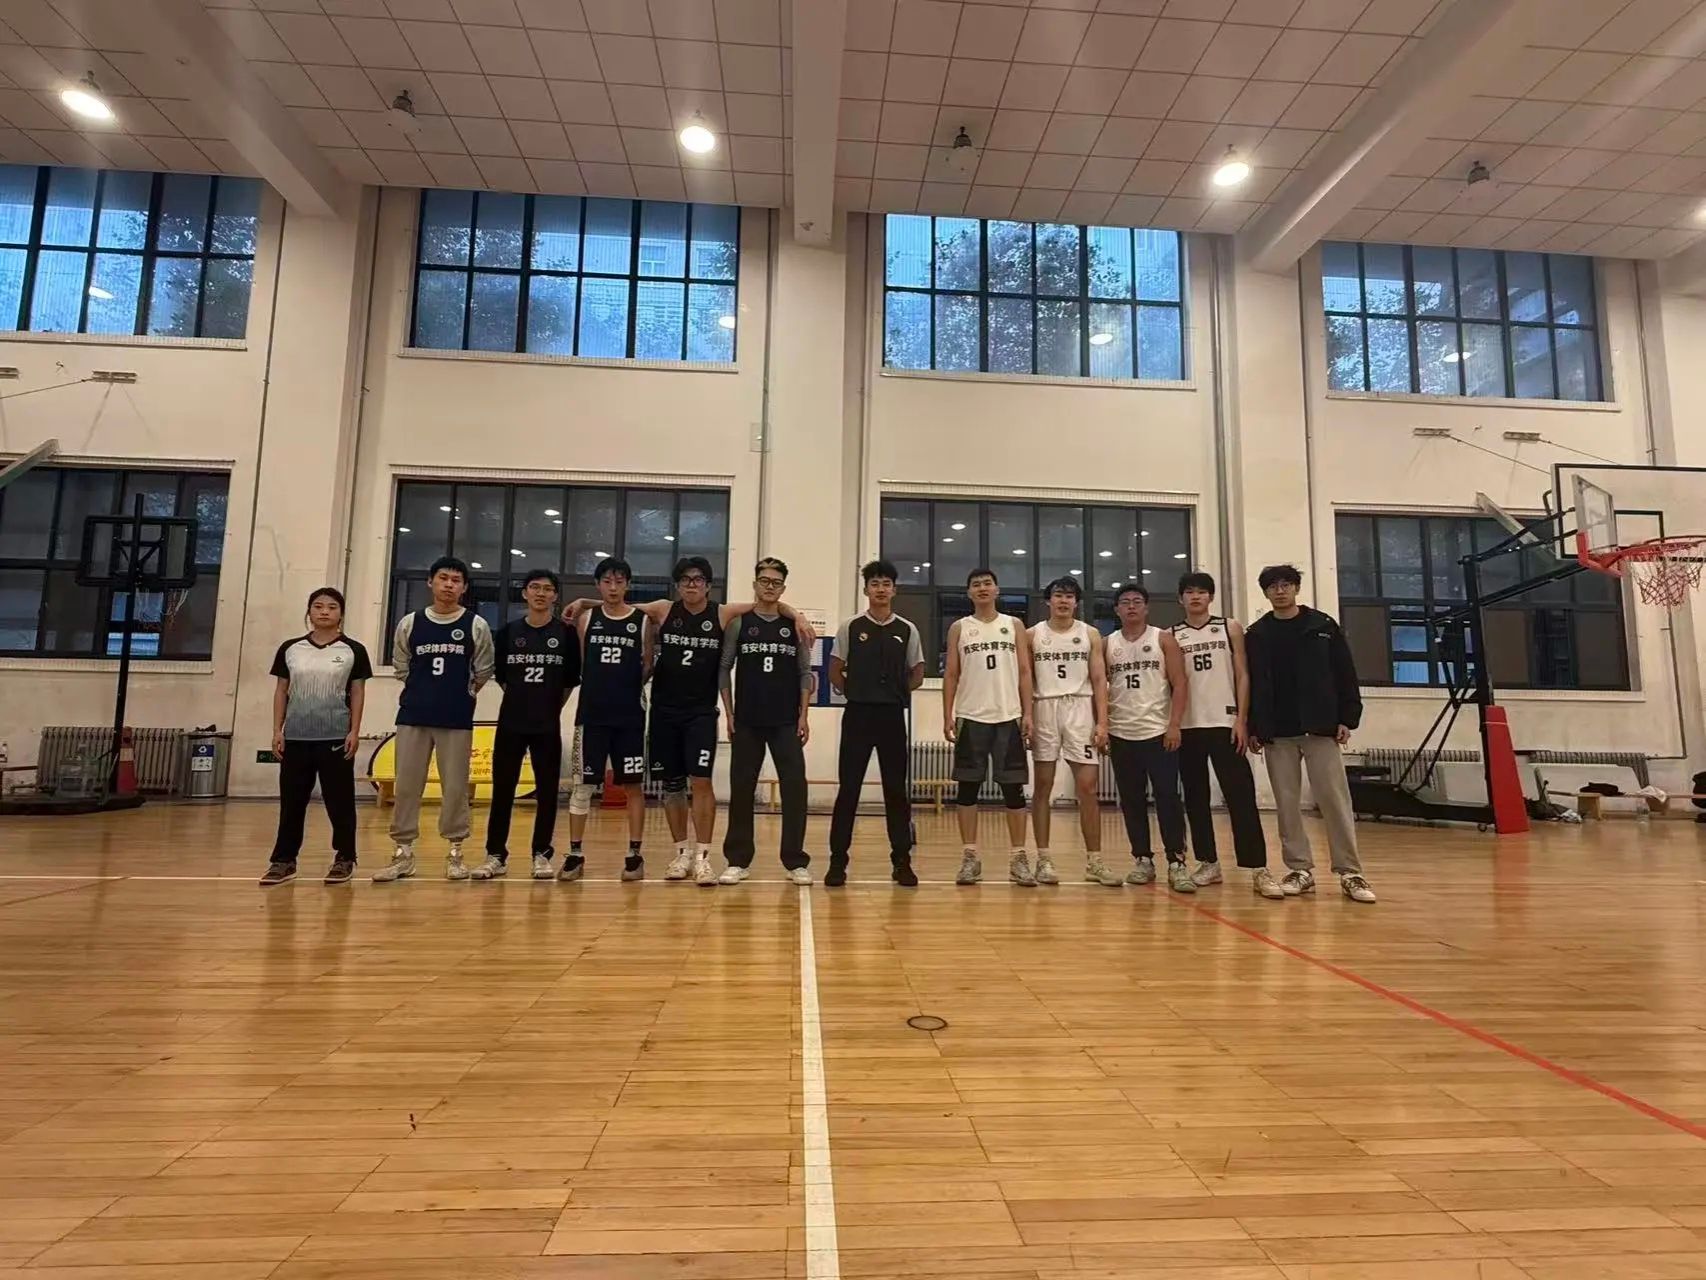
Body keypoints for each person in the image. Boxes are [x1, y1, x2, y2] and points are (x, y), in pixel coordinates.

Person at [563, 558, 813, 886]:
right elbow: (620, 603)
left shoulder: (722, 613)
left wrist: (798, 614)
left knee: (703, 783)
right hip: (665, 713)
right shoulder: (664, 609)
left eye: (698, 579)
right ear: (678, 585)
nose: (692, 584)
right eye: (685, 579)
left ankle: (703, 857)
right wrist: (585, 602)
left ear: (708, 585)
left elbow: (765, 604)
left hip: (702, 714)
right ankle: (682, 853)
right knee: (673, 786)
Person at [1245, 564, 1377, 904]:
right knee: (1287, 805)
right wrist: (1255, 727)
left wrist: (1348, 717)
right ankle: (1300, 869)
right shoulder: (1257, 634)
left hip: (1320, 726)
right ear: (1265, 593)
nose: (1280, 591)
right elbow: (1253, 683)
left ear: (1296, 588)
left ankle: (1350, 872)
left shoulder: (1323, 626)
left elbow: (1345, 672)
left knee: (1334, 800)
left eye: (1286, 585)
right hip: (1278, 732)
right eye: (1273, 586)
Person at [374, 556, 495, 883]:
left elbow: (483, 670)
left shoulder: (475, 625)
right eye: (443, 578)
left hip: (455, 718)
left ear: (464, 587)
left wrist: (460, 695)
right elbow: (401, 666)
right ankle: (402, 853)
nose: (449, 585)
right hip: (413, 715)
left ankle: (455, 853)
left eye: (456, 580)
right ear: (430, 582)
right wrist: (423, 692)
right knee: (407, 785)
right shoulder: (410, 623)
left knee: (455, 787)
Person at [1171, 571, 1287, 899]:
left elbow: (1243, 674)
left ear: (1211, 597)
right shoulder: (1172, 635)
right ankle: (1208, 862)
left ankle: (1258, 867)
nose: (1196, 597)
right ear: (1181, 598)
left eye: (1201, 591)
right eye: (1189, 592)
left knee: (1240, 796)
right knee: (1195, 798)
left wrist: (1242, 719)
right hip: (1189, 726)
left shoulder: (1229, 627)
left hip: (1226, 723)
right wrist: (1174, 723)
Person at [473, 569, 580, 882]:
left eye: (547, 589)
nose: (540, 593)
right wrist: (524, 701)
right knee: (503, 790)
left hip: (546, 724)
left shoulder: (566, 634)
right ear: (525, 593)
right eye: (535, 587)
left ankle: (541, 853)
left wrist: (548, 707)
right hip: (511, 722)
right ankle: (495, 855)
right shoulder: (508, 632)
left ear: (555, 596)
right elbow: (503, 678)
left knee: (547, 792)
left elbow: (569, 681)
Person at [259, 588, 371, 886]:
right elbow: (281, 690)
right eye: (318, 606)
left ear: (341, 613)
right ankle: (283, 861)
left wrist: (354, 731)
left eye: (332, 607)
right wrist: (277, 730)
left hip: (336, 738)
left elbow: (358, 692)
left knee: (340, 802)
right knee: (292, 803)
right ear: (309, 612)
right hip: (296, 739)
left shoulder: (354, 650)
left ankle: (345, 857)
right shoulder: (290, 648)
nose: (324, 612)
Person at [827, 559, 924, 887]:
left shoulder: (907, 629)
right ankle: (837, 862)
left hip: (892, 716)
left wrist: (894, 693)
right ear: (866, 589)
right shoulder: (851, 627)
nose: (880, 589)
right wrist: (857, 691)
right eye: (875, 584)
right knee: (849, 790)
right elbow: (834, 669)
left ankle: (902, 862)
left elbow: (918, 673)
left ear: (894, 590)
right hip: (857, 715)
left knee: (895, 791)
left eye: (886, 584)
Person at [720, 558, 815, 885]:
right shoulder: (739, 624)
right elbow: (724, 668)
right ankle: (737, 860)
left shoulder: (794, 626)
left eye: (776, 582)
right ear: (755, 584)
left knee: (795, 788)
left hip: (786, 720)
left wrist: (804, 715)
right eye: (764, 580)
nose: (770, 586)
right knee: (742, 789)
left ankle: (795, 861)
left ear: (783, 588)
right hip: (747, 720)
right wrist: (729, 714)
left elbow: (805, 673)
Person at [941, 568, 1033, 885]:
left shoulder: (1014, 625)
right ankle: (970, 857)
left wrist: (1028, 713)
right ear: (969, 592)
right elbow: (951, 673)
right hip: (971, 716)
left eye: (987, 583)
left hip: (1008, 716)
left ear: (997, 590)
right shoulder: (960, 628)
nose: (982, 588)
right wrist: (947, 714)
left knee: (1013, 790)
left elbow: (1025, 672)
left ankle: (1018, 858)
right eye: (976, 584)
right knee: (967, 789)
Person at [1029, 576, 1120, 887]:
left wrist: (1103, 721)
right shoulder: (1032, 634)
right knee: (1043, 786)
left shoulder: (1089, 633)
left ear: (1076, 602)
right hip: (1045, 707)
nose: (1063, 601)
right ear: (1048, 600)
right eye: (1058, 595)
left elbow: (1099, 680)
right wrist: (1026, 716)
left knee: (1088, 788)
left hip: (1080, 708)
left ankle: (1095, 861)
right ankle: (1043, 859)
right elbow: (1025, 679)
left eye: (1069, 596)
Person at [565, 557, 651, 882]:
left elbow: (646, 665)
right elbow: (582, 664)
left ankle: (634, 855)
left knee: (633, 786)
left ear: (628, 584)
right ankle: (575, 854)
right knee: (583, 786)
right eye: (607, 582)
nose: (613, 588)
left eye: (619, 582)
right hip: (592, 717)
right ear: (598, 585)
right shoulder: (587, 619)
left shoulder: (642, 621)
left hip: (629, 718)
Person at [1104, 585, 1194, 893]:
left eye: (1137, 601)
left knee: (1168, 797)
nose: (1131, 606)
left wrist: (1174, 725)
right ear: (1116, 609)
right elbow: (1100, 687)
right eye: (1125, 602)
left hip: (1158, 732)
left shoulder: (1163, 639)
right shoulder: (1107, 644)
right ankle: (1142, 858)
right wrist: (1103, 726)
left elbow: (1180, 684)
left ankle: (1177, 861)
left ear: (1146, 607)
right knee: (1132, 800)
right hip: (1121, 733)